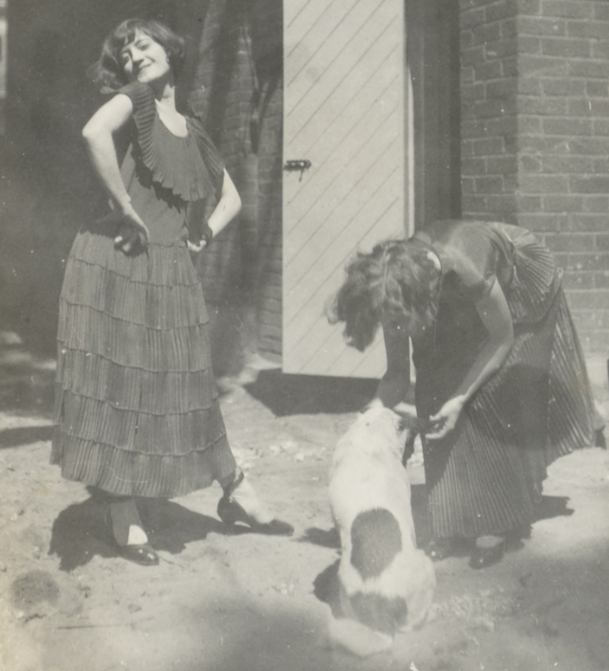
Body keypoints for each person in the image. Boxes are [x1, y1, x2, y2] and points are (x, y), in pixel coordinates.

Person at [51, 19, 293, 566]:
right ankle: (121, 506)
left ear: (170, 49)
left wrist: (203, 233)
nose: (135, 57)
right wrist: (127, 209)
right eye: (126, 53)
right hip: (119, 262)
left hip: (170, 270)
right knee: (123, 387)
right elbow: (93, 133)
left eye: (144, 45)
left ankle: (235, 487)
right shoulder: (135, 99)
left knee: (189, 386)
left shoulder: (193, 128)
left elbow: (229, 196)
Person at [328, 219, 598, 569]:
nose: (393, 328)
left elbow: (501, 339)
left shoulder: (468, 265)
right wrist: (368, 422)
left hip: (517, 287)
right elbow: (397, 377)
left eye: (396, 320)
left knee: (493, 391)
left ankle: (498, 521)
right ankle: (452, 521)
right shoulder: (397, 289)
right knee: (432, 393)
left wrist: (460, 398)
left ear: (417, 300)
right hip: (455, 293)